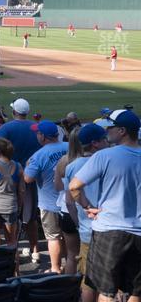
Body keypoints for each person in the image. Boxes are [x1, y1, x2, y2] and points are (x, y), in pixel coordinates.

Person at [69, 109, 141, 302]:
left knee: (106, 291)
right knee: (135, 291)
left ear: (122, 131)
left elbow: (74, 186)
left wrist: (87, 206)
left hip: (108, 232)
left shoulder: (105, 156)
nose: (107, 131)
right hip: (139, 233)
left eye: (111, 127)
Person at [0, 97, 41, 263]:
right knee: (30, 217)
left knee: (9, 218)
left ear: (14, 112)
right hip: (30, 178)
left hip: (9, 179)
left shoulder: (6, 128)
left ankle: (10, 254)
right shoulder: (36, 127)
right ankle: (35, 250)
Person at [65, 123, 108, 302]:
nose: (108, 142)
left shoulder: (72, 166)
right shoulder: (109, 161)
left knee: (88, 280)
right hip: (109, 229)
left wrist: (79, 222)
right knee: (108, 283)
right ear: (95, 143)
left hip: (87, 230)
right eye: (104, 139)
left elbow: (69, 201)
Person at [24, 120, 69, 274]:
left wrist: (27, 164)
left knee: (53, 237)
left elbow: (27, 178)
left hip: (50, 204)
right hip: (70, 202)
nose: (37, 135)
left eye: (38, 133)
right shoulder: (69, 147)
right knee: (69, 237)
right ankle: (71, 267)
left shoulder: (39, 155)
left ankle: (55, 268)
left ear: (43, 136)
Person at [53, 127, 82, 275]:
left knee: (71, 255)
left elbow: (58, 187)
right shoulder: (93, 159)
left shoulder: (64, 161)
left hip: (66, 211)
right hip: (87, 211)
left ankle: (71, 289)